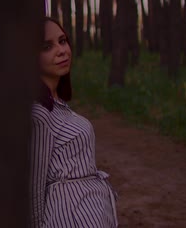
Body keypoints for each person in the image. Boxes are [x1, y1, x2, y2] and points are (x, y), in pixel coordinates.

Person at [31, 17, 118, 227]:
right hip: (70, 218)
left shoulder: (56, 103)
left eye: (62, 41)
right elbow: (33, 186)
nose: (61, 50)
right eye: (47, 46)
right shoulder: (38, 112)